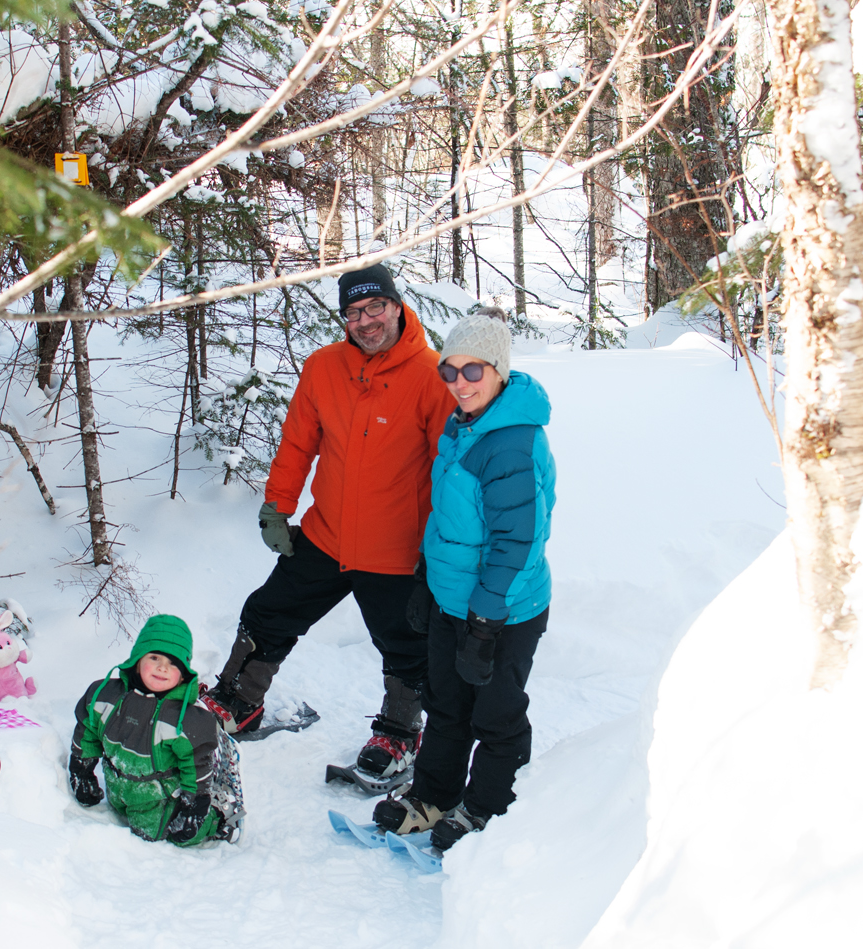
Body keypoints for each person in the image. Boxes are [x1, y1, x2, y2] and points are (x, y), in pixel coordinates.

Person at [201, 263, 457, 783]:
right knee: (268, 612)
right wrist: (278, 506)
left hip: (395, 548)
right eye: (354, 312)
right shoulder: (323, 367)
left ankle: (399, 733)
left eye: (375, 307)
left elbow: (447, 469)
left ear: (396, 305)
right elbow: (299, 441)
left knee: (404, 644)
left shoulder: (432, 375)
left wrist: (440, 543)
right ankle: (237, 701)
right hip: (326, 533)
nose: (365, 321)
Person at [372, 309, 556, 851]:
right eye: (449, 372)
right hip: (454, 603)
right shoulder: (464, 425)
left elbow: (517, 542)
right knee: (447, 705)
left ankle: (486, 807)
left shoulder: (512, 444)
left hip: (504, 611)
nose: (458, 384)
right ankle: (433, 796)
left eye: (472, 371)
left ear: (498, 370)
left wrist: (483, 621)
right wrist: (428, 580)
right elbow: (450, 518)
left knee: (495, 715)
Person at [68, 614, 244, 845]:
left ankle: (218, 817)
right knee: (122, 811)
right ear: (138, 659)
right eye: (154, 657)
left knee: (159, 833)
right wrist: (82, 768)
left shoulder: (185, 721)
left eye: (173, 663)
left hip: (158, 793)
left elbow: (196, 765)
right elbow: (87, 730)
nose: (163, 667)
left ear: (183, 674)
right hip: (119, 782)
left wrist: (195, 805)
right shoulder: (105, 696)